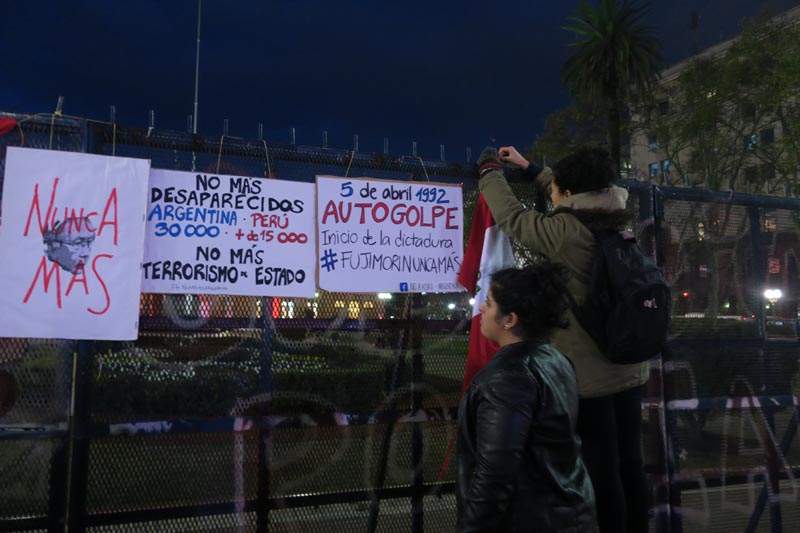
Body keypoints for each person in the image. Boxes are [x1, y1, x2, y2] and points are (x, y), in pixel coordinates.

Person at [476, 146, 650, 533]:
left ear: (569, 194)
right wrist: (533, 169)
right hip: (631, 367)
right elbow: (573, 194)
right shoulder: (619, 217)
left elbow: (513, 217)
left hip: (590, 380)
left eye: (555, 190)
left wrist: (490, 172)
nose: (552, 196)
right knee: (631, 465)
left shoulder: (565, 233)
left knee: (602, 473)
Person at [457, 262, 596, 533]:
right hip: (570, 513)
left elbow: (495, 473)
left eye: (488, 303)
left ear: (510, 319)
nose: (481, 309)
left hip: (531, 520)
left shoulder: (507, 379)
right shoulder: (556, 360)